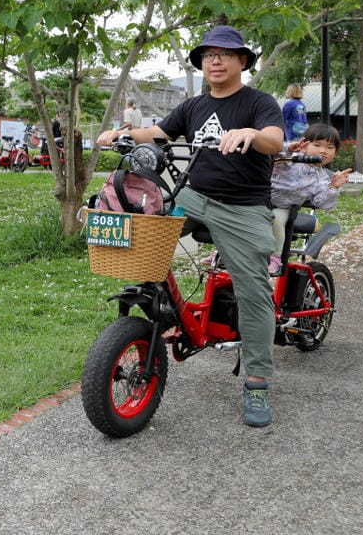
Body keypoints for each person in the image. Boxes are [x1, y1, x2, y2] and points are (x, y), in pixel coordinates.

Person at [97, 25, 285, 428]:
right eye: (208, 55)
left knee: (254, 291)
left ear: (242, 62)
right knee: (141, 235)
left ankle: (257, 383)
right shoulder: (194, 105)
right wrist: (123, 132)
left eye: (224, 54)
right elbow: (158, 132)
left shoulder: (259, 103)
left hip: (243, 207)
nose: (214, 61)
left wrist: (252, 133)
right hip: (192, 198)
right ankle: (165, 312)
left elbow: (274, 140)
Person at [268, 124, 352, 275]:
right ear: (304, 145)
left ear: (335, 153)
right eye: (317, 145)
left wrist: (332, 187)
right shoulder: (290, 160)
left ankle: (275, 256)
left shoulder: (322, 178)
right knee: (238, 214)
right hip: (260, 199)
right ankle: (226, 252)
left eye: (330, 147)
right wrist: (289, 148)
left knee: (277, 220)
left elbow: (321, 202)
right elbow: (272, 153)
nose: (323, 151)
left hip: (284, 207)